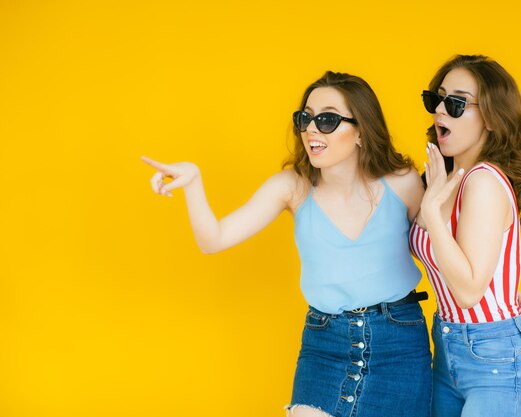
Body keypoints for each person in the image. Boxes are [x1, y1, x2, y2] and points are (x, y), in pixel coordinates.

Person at [142, 71, 432, 417]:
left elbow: (435, 251)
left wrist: (503, 296)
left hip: (398, 340)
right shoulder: (291, 187)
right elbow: (214, 240)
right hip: (326, 342)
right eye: (304, 118)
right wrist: (193, 182)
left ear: (360, 131)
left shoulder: (403, 183)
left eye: (326, 119)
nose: (310, 129)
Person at [409, 54, 521, 417]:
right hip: (449, 346)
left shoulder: (482, 181)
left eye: (455, 103)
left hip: (494, 359)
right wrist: (506, 286)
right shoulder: (444, 179)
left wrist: (433, 214)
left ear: (491, 117)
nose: (439, 110)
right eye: (436, 98)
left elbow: (468, 291)